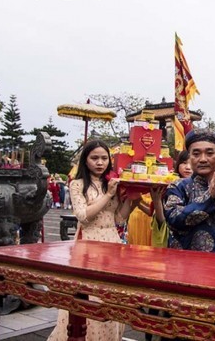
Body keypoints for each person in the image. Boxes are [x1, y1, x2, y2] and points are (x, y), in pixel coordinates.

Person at [47, 140, 137, 341]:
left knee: (111, 294)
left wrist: (132, 198)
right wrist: (108, 195)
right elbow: (83, 215)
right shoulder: (77, 184)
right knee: (89, 295)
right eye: (94, 158)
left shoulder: (111, 182)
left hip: (112, 241)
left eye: (104, 158)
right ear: (85, 160)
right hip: (89, 241)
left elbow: (119, 219)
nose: (100, 162)